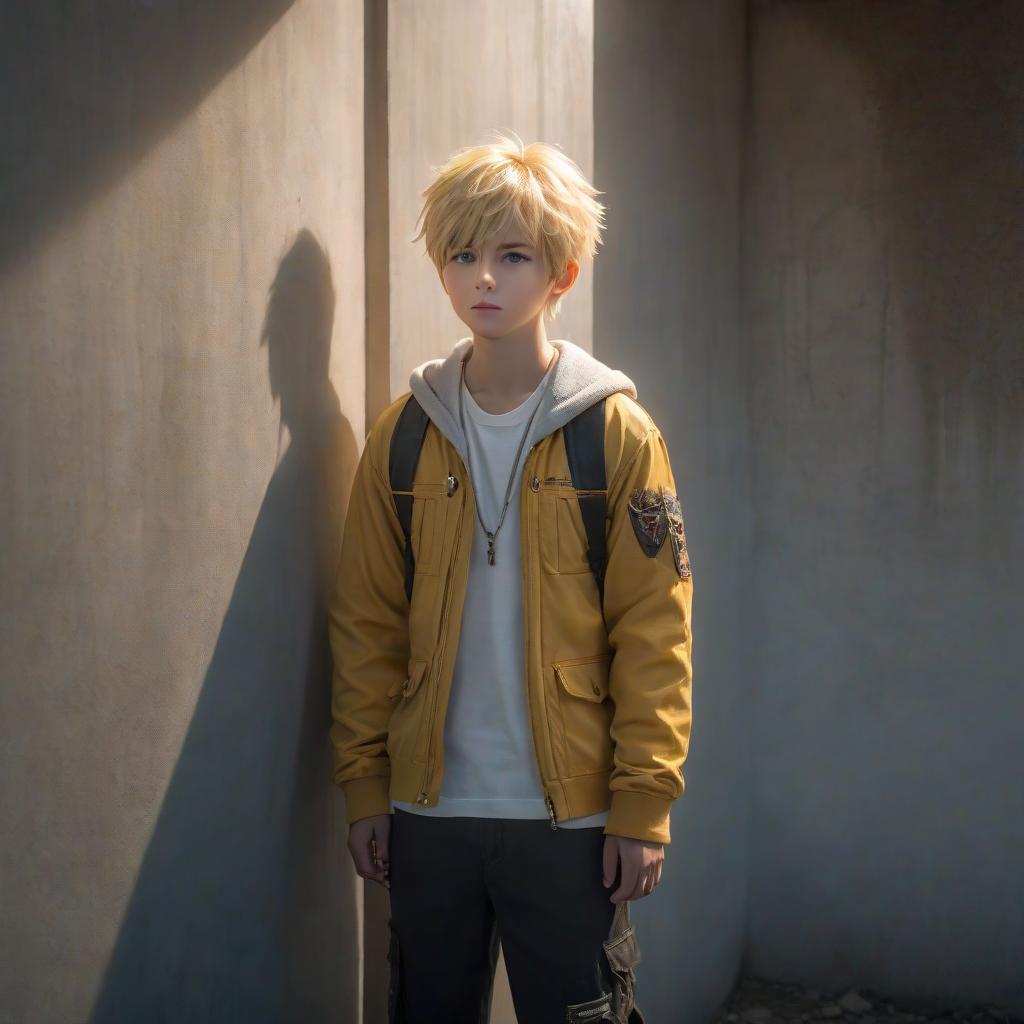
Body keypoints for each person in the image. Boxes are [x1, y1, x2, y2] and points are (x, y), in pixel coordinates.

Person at [329, 130, 693, 1024]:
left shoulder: (616, 435)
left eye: (512, 255)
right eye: (462, 253)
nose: (482, 277)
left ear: (561, 275)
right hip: (427, 816)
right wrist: (366, 789)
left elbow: (655, 630)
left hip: (567, 822)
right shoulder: (402, 436)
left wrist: (642, 803)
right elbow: (366, 624)